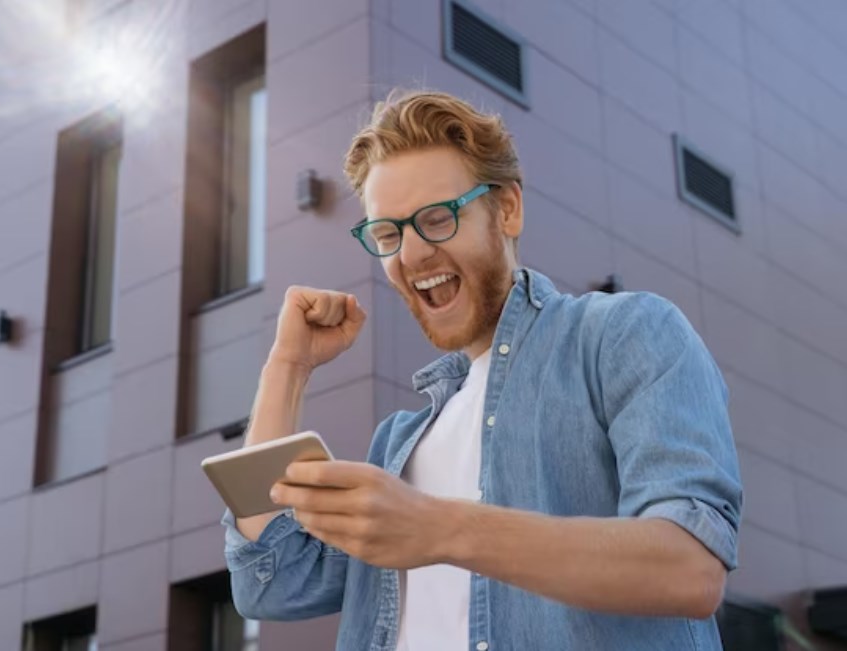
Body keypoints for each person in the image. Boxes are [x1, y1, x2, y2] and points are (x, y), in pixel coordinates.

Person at [221, 90, 742, 651]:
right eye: (389, 234)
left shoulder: (623, 336)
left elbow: (689, 567)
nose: (412, 255)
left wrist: (439, 528)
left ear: (508, 209)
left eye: (438, 219)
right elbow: (269, 580)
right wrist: (288, 366)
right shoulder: (397, 443)